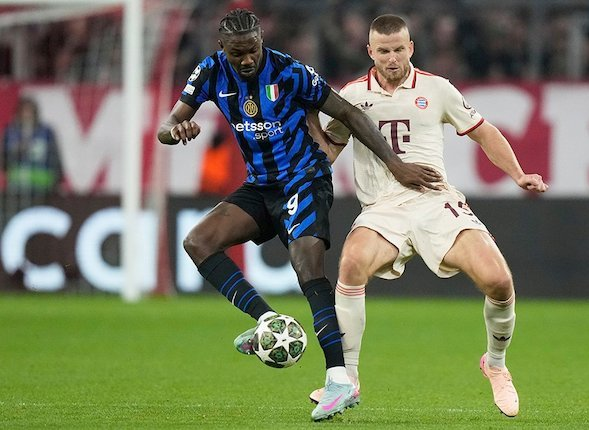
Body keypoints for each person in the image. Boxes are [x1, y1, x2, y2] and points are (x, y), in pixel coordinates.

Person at [156, 9, 440, 421]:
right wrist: (176, 131)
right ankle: (267, 321)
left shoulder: (290, 72)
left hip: (305, 178)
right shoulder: (211, 72)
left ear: (261, 41)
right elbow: (168, 124)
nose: (247, 59)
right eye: (237, 53)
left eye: (253, 50)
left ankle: (339, 379)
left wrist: (395, 165)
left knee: (306, 263)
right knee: (198, 241)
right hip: (261, 186)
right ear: (222, 49)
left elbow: (349, 113)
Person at [307, 14, 548, 418]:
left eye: (399, 49)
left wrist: (518, 173)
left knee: (498, 280)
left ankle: (496, 363)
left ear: (411, 48)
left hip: (435, 201)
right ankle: (346, 379)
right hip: (383, 208)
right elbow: (329, 150)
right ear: (370, 52)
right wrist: (310, 123)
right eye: (384, 51)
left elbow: (483, 131)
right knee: (351, 264)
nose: (392, 58)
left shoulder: (437, 89)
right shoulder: (352, 95)